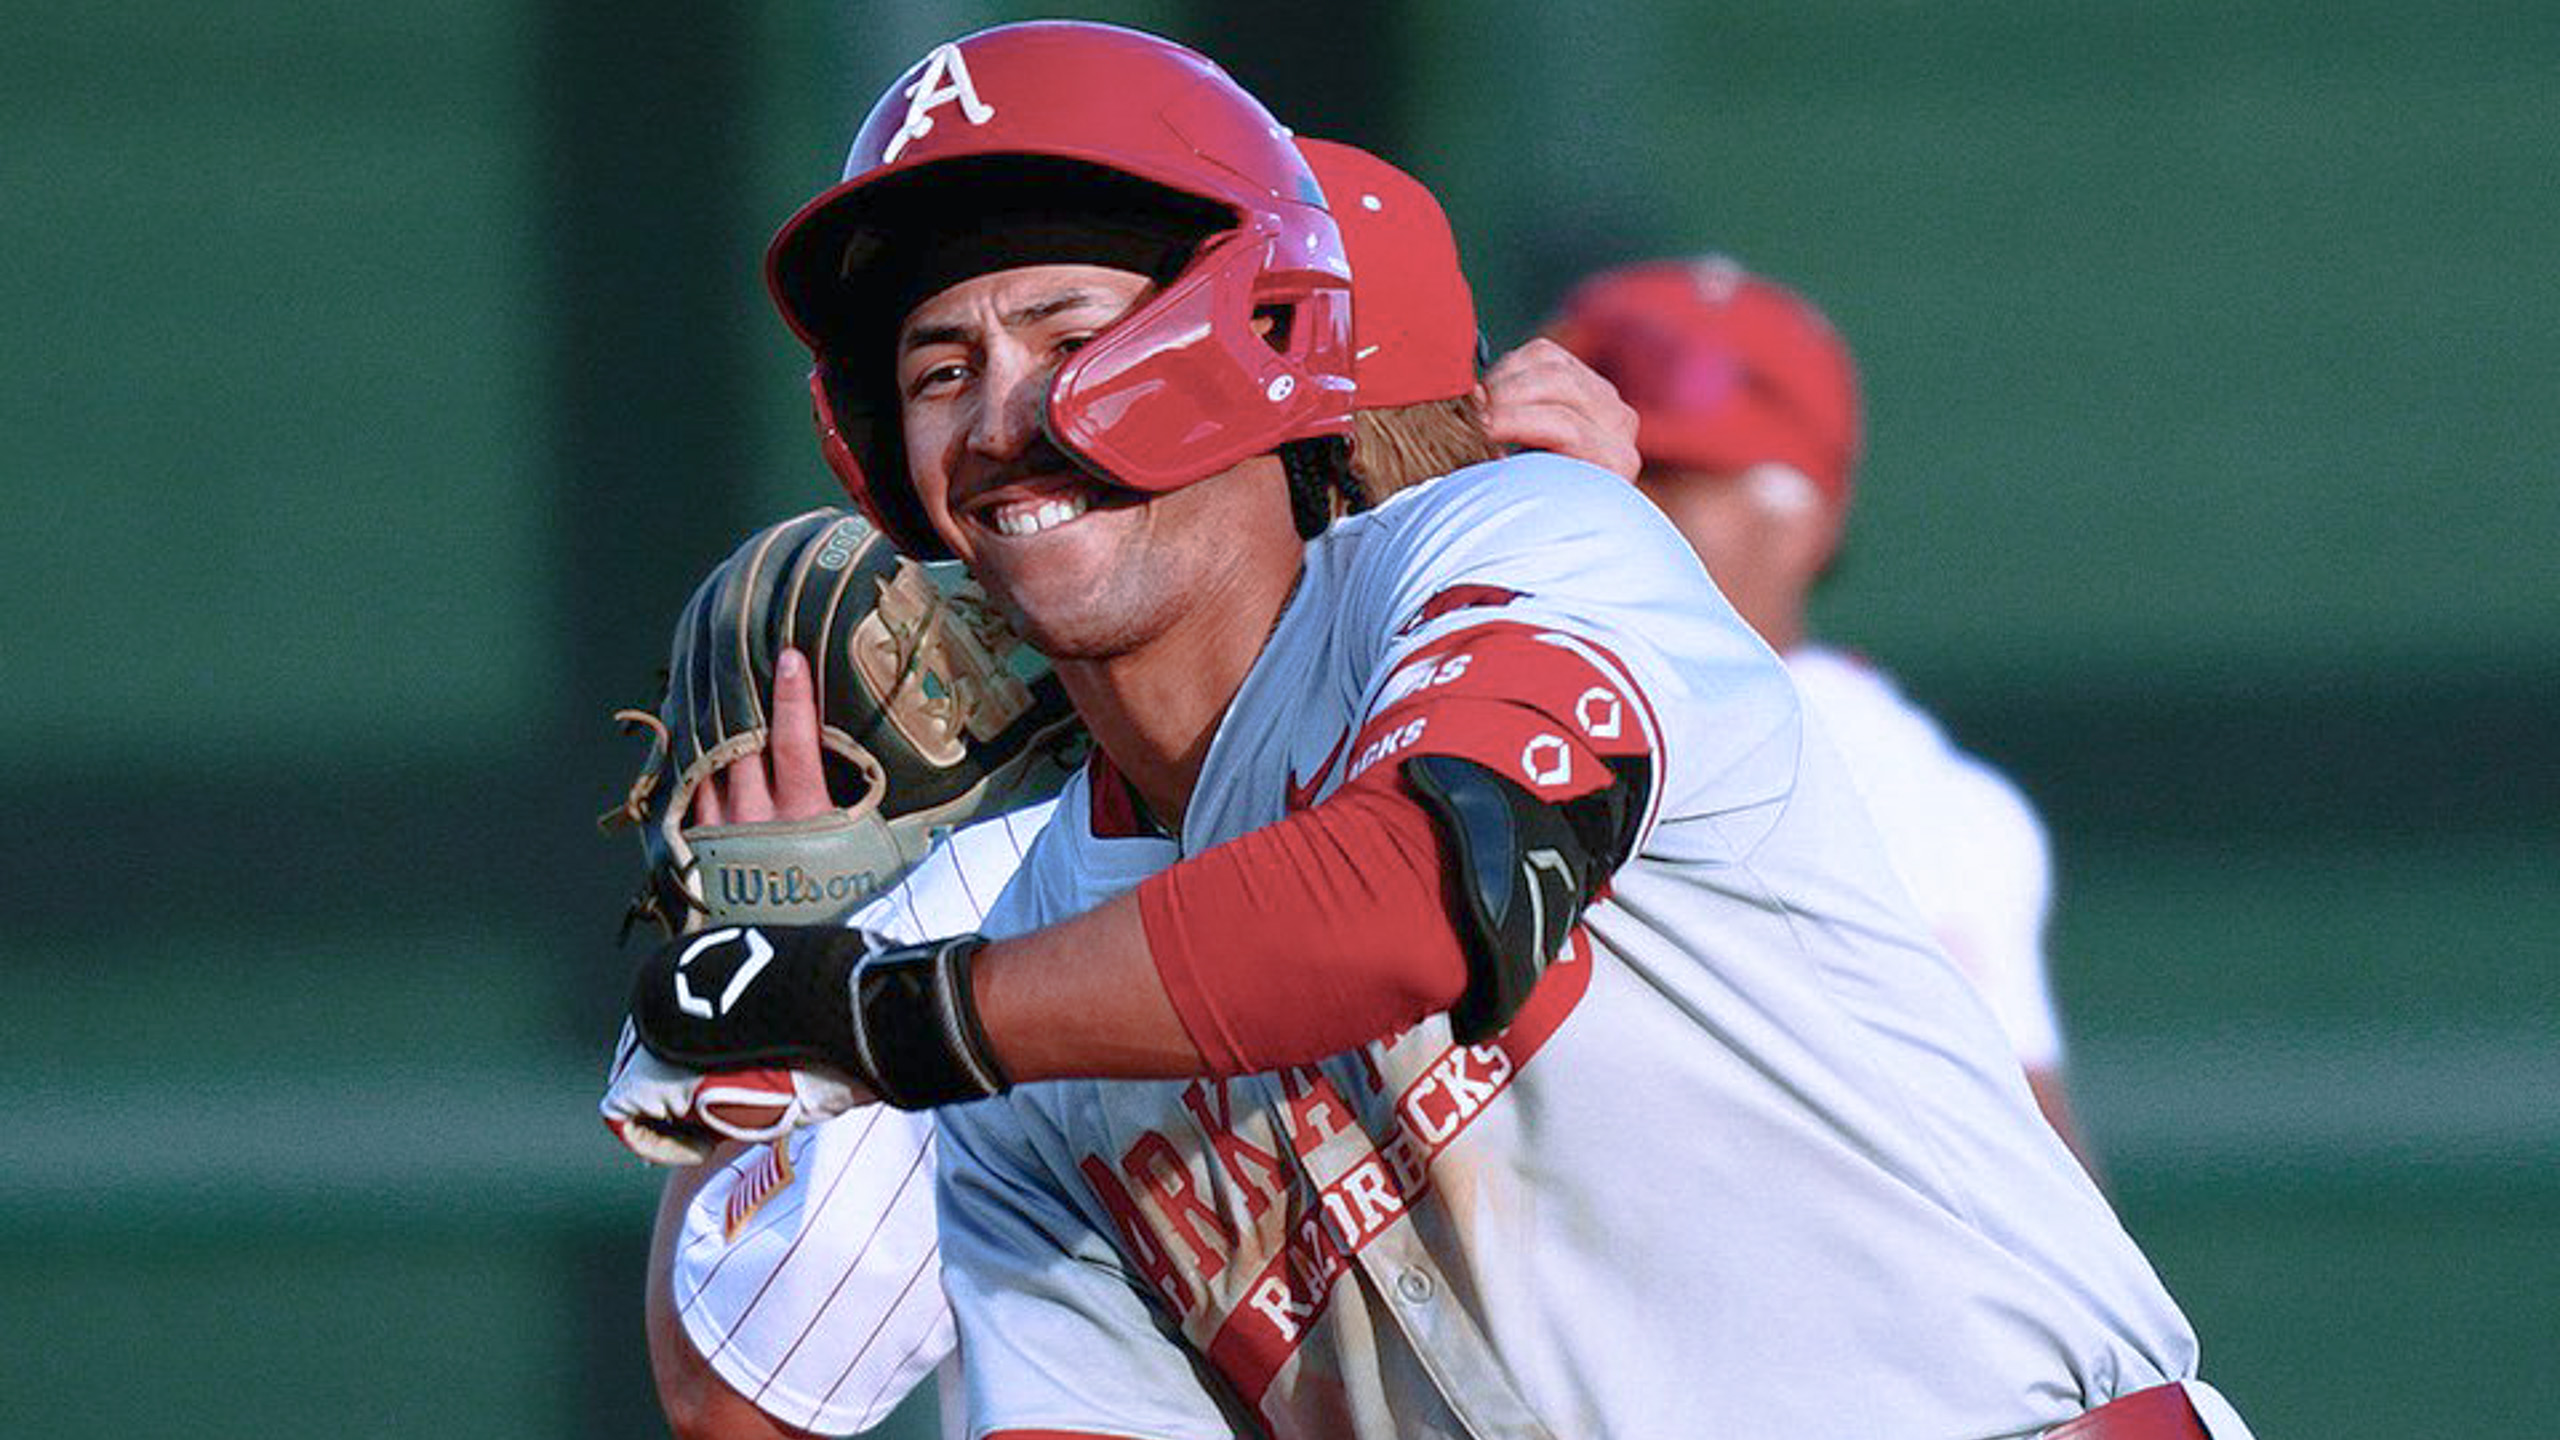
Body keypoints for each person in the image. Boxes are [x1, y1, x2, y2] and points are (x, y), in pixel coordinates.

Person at [608, 20, 2253, 1439]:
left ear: (1258, 341)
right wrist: (823, 1004)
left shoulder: (1537, 546)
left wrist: (875, 1010)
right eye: (938, 365)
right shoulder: (1025, 1012)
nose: (1002, 414)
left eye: (1069, 332)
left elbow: (1420, 895)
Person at [633, 136, 1634, 1440]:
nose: (1020, 423)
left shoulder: (995, 919)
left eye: (1077, 354)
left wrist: (780, 973)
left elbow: (736, 1390)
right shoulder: (1643, 672)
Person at [1541, 255, 2101, 1172]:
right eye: (1565, 465)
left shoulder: (1858, 761)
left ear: (1802, 518)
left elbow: (2029, 1184)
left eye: (1669, 474)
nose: (1614, 499)